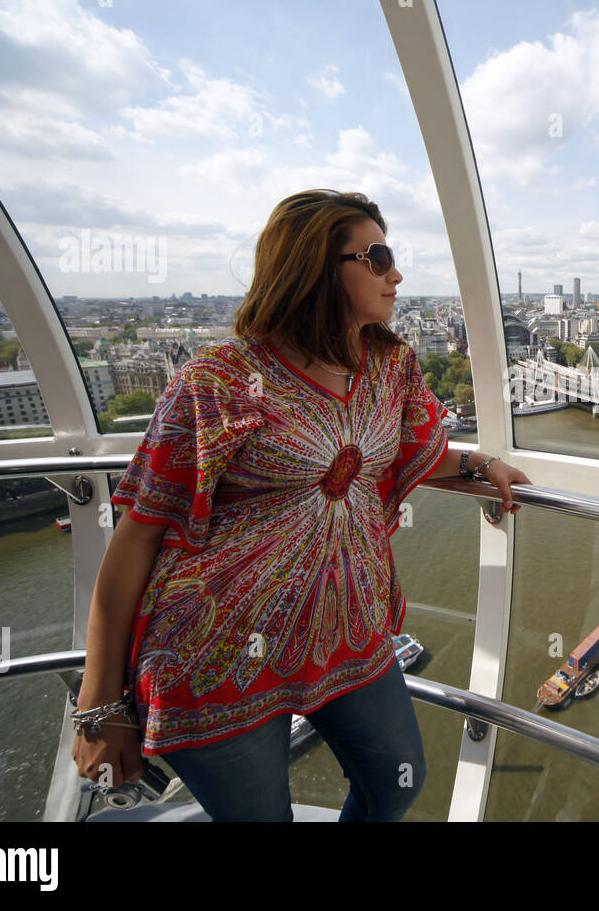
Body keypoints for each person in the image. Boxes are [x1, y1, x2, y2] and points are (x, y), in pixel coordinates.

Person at [72, 189, 530, 821]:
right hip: (215, 653)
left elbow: (412, 449)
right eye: (376, 256)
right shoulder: (217, 382)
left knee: (396, 782)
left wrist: (481, 465)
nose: (395, 273)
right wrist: (100, 705)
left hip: (348, 629)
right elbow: (137, 537)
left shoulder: (390, 366)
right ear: (314, 268)